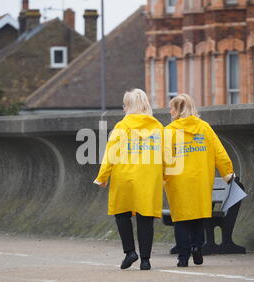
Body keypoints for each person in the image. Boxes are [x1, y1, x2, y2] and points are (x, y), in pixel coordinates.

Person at [94, 89, 163, 270]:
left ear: (129, 107)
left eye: (125, 105)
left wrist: (102, 177)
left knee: (122, 214)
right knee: (145, 217)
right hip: (148, 177)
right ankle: (146, 260)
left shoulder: (121, 127)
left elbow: (110, 154)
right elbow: (167, 155)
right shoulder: (157, 127)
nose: (123, 108)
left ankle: (130, 252)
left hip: (124, 175)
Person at [163, 94, 234, 267]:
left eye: (171, 107)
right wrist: (228, 173)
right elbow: (220, 153)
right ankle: (197, 247)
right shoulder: (205, 128)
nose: (169, 111)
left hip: (178, 181)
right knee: (199, 217)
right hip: (201, 180)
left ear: (178, 110)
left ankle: (183, 256)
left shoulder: (169, 132)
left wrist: (159, 177)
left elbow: (162, 159)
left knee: (181, 220)